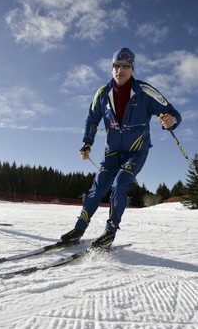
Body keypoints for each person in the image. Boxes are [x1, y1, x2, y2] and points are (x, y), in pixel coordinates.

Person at [61, 47, 182, 248]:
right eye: (116, 66)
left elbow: (172, 112)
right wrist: (87, 142)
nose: (120, 70)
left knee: (120, 183)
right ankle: (79, 228)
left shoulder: (145, 92)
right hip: (112, 152)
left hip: (136, 151)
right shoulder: (102, 93)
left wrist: (171, 120)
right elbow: (92, 119)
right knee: (97, 187)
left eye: (125, 66)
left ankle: (110, 232)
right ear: (112, 69)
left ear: (132, 69)